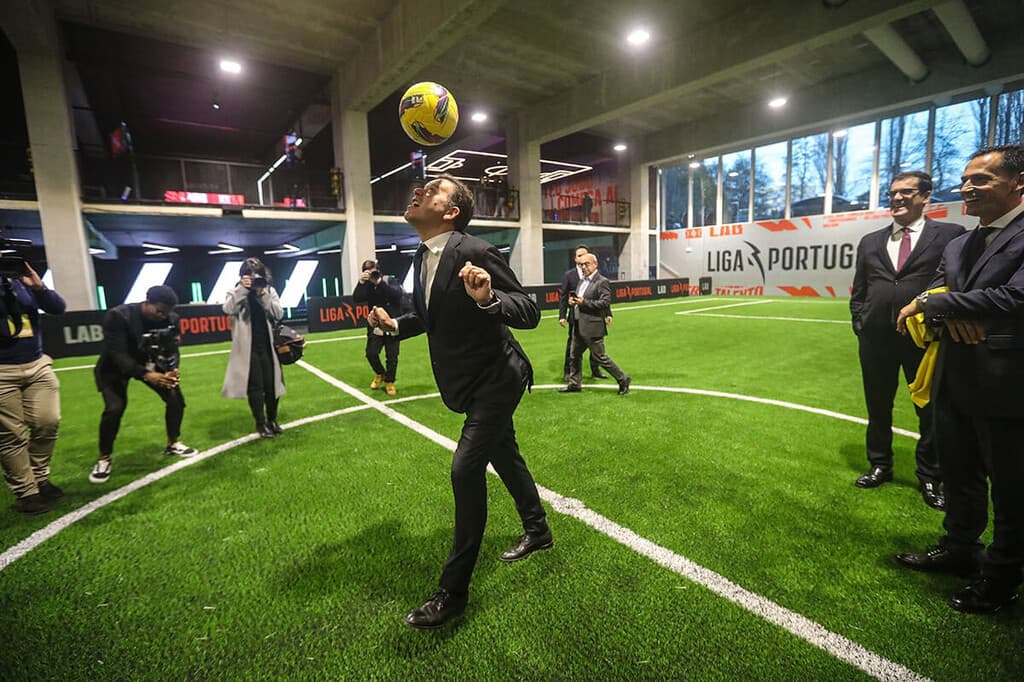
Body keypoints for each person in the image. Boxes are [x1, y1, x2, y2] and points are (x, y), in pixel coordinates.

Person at [368, 174, 549, 629]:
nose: (419, 192)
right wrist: (395, 325)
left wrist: (488, 298)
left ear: (451, 212)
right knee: (505, 455)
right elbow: (430, 316)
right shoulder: (421, 255)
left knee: (465, 469)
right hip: (467, 382)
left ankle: (453, 592)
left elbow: (529, 310)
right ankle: (539, 530)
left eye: (432, 191)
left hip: (498, 378)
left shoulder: (476, 251)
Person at [894, 144, 1024, 614]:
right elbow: (937, 286)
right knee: (959, 471)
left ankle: (1001, 577)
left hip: (1007, 382)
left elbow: (1014, 298)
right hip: (954, 376)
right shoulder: (958, 244)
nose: (967, 187)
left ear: (1019, 183)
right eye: (965, 179)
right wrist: (943, 305)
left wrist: (937, 305)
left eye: (981, 179)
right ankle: (960, 548)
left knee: (1011, 487)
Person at [849, 171, 964, 509]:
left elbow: (956, 283)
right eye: (892, 193)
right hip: (875, 339)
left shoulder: (950, 235)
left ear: (925, 197)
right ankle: (879, 464)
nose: (897, 198)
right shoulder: (870, 241)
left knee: (929, 409)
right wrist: (860, 321)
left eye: (906, 192)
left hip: (924, 338)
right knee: (877, 406)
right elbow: (861, 288)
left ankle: (930, 475)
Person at [90, 285, 196, 484]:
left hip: (151, 363)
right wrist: (146, 375)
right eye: (159, 311)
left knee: (175, 400)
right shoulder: (119, 316)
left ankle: (172, 443)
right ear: (147, 302)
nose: (163, 316)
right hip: (114, 367)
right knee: (114, 408)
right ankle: (104, 457)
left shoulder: (171, 318)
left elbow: (172, 348)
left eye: (167, 312)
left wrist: (172, 369)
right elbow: (118, 354)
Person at [0, 261, 65, 514]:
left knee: (48, 421)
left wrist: (39, 288)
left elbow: (57, 308)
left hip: (36, 363)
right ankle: (26, 492)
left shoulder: (18, 280)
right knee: (11, 435)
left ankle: (39, 477)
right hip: (2, 370)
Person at [222, 258, 286, 438]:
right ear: (243, 276)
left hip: (268, 345)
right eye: (250, 276)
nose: (254, 279)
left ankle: (272, 420)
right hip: (247, 348)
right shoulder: (235, 291)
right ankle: (260, 423)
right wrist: (243, 289)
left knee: (273, 385)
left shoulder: (269, 291)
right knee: (255, 387)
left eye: (258, 275)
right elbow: (228, 309)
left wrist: (263, 295)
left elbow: (279, 313)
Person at [558, 253, 631, 395]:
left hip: (593, 327)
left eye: (587, 264)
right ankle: (574, 383)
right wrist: (572, 302)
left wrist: (584, 302)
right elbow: (579, 300)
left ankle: (623, 378)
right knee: (574, 355)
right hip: (578, 325)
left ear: (595, 264)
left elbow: (605, 302)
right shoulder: (582, 281)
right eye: (581, 265)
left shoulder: (602, 281)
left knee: (600, 357)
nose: (584, 267)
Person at [558, 244, 611, 381]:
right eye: (579, 256)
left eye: (585, 255)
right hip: (575, 317)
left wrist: (608, 313)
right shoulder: (570, 275)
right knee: (572, 347)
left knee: (595, 348)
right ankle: (568, 373)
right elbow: (564, 297)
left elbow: (602, 297)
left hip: (593, 318)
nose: (583, 260)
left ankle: (595, 370)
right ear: (575, 259)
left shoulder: (597, 277)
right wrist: (562, 315)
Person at [352, 259, 403, 396]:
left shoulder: (388, 280)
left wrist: (379, 283)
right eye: (368, 272)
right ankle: (381, 373)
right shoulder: (367, 286)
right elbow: (357, 298)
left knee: (392, 356)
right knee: (371, 353)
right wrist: (361, 282)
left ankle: (389, 382)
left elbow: (397, 295)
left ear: (378, 270)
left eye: (373, 272)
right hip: (375, 324)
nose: (371, 275)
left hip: (391, 322)